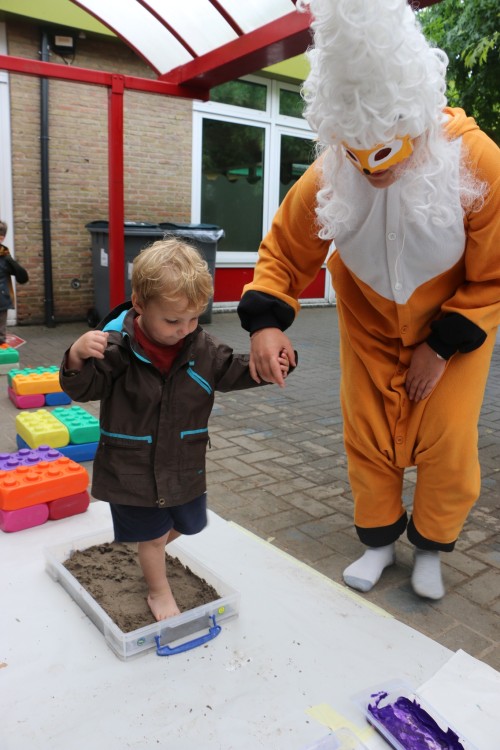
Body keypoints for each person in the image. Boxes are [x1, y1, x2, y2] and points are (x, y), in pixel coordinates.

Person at [237, 0, 500, 600]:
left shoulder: (478, 161)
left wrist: (443, 345)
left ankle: (431, 548)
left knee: (449, 443)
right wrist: (264, 323)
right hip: (369, 327)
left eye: (382, 152)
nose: (369, 168)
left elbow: (494, 274)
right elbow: (282, 251)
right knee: (368, 437)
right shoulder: (331, 173)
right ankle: (379, 544)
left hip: (452, 331)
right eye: (354, 151)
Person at [60, 239, 290, 621]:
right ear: (140, 304)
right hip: (132, 468)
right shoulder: (116, 349)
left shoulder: (204, 349)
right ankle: (157, 590)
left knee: (189, 524)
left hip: (183, 466)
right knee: (151, 538)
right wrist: (76, 355)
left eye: (194, 318)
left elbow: (234, 370)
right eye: (172, 321)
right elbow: (83, 387)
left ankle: (148, 551)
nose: (184, 330)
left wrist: (272, 365)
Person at [0, 220, 29, 344]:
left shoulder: (5, 258)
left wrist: (9, 259)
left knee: (0, 336)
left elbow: (23, 278)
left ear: (1, 238)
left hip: (1, 300)